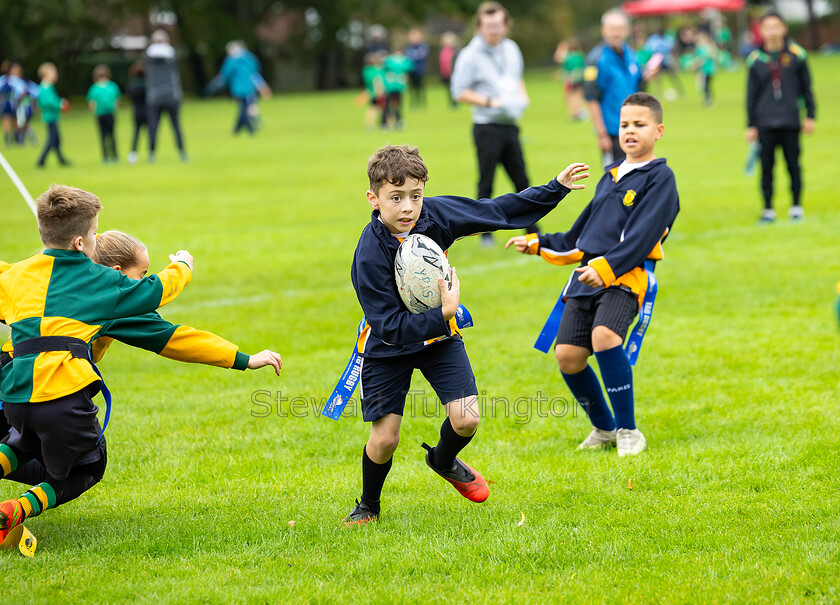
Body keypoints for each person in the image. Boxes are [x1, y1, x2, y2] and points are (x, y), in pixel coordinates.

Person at [0, 188, 283, 543]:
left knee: (25, 442)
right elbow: (174, 336)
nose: (143, 277)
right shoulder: (111, 296)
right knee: (87, 463)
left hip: (13, 388)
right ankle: (17, 509)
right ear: (114, 269)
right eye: (142, 271)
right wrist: (183, 266)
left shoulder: (22, 276)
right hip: (47, 389)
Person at [342, 145, 589, 525]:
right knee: (385, 439)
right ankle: (368, 505)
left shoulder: (434, 216)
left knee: (466, 419)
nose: (408, 208)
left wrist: (554, 188)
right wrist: (443, 313)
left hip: (439, 339)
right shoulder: (368, 253)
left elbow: (496, 211)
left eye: (415, 196)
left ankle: (442, 459)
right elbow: (388, 325)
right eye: (396, 198)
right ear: (373, 199)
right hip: (389, 345)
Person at [505, 93, 679, 457]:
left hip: (625, 277)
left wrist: (606, 268)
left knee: (604, 337)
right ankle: (604, 428)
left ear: (658, 130)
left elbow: (643, 236)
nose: (630, 131)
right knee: (567, 355)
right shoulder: (609, 177)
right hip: (587, 278)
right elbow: (577, 239)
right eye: (624, 125)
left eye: (640, 124)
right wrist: (536, 243)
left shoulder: (661, 178)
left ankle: (630, 430)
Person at [450, 2, 537, 245]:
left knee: (522, 180)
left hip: (510, 124)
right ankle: (484, 232)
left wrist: (523, 96)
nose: (493, 30)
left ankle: (533, 230)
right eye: (488, 26)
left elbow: (516, 78)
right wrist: (489, 101)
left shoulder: (511, 49)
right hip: (487, 125)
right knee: (486, 182)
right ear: (479, 27)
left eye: (498, 25)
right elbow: (458, 91)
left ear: (506, 25)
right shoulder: (470, 55)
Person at [746, 11, 816, 223]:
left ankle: (796, 206)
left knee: (793, 165)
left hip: (790, 120)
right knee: (766, 167)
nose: (773, 31)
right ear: (762, 31)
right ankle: (768, 210)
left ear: (784, 28)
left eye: (776, 26)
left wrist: (810, 115)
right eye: (768, 27)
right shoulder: (756, 59)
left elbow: (807, 88)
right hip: (765, 122)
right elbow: (751, 95)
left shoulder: (797, 55)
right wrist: (751, 125)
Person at [584, 9, 643, 167]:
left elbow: (638, 87)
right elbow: (592, 98)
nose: (616, 33)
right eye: (612, 29)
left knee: (636, 178)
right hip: (612, 131)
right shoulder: (596, 59)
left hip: (635, 127)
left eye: (620, 29)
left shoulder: (632, 54)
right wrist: (601, 134)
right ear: (603, 30)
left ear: (626, 31)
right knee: (614, 181)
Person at [205, 41, 266, 135]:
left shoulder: (231, 60)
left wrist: (220, 84)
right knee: (245, 106)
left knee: (244, 107)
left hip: (238, 88)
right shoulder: (249, 58)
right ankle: (242, 128)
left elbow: (225, 74)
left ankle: (245, 129)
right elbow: (256, 70)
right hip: (249, 87)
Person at [145, 29, 187, 162]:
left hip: (154, 97)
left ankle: (151, 154)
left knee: (153, 127)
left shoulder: (148, 56)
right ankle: (182, 153)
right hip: (172, 95)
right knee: (176, 126)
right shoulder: (172, 55)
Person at [35, 62, 70, 168]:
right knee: (52, 139)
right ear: (46, 74)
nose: (55, 74)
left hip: (53, 116)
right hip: (49, 117)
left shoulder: (48, 86)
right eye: (53, 72)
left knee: (57, 139)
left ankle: (61, 159)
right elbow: (48, 101)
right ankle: (41, 160)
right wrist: (60, 103)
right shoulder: (45, 87)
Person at [86, 64, 121, 163]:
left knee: (104, 135)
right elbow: (117, 101)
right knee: (110, 135)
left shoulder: (95, 87)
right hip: (108, 113)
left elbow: (91, 104)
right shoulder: (111, 86)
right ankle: (112, 156)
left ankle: (107, 156)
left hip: (101, 114)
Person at [554, 39, 586, 121]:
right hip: (581, 77)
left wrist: (560, 48)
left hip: (571, 79)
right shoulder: (581, 56)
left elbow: (558, 59)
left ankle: (575, 113)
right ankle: (579, 112)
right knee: (579, 95)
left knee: (571, 96)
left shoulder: (568, 57)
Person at [382, 49, 413, 129]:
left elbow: (408, 72)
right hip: (389, 87)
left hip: (398, 87)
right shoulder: (388, 61)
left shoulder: (404, 61)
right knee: (387, 104)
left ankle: (398, 122)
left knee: (397, 105)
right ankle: (384, 122)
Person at [126, 61, 147, 164]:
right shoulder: (147, 85)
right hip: (147, 112)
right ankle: (151, 152)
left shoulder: (131, 86)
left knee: (136, 133)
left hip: (137, 112)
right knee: (150, 133)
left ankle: (133, 153)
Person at [359, 51, 386, 130]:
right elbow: (377, 81)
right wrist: (380, 92)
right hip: (376, 92)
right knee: (374, 108)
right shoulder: (373, 70)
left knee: (375, 108)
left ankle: (371, 124)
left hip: (370, 91)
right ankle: (370, 125)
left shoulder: (366, 70)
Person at [0, 63, 25, 147]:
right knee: (8, 120)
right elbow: (21, 91)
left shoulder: (5, 79)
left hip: (10, 102)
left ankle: (15, 139)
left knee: (14, 121)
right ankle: (10, 140)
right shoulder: (11, 80)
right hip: (10, 102)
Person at [405, 28, 430, 109]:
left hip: (420, 69)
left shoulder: (423, 46)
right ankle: (413, 103)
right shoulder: (408, 46)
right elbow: (408, 56)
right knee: (412, 88)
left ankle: (422, 103)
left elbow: (422, 55)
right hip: (411, 70)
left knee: (421, 87)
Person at [692, 32, 718, 106]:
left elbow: (701, 60)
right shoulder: (708, 48)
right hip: (710, 70)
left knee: (705, 85)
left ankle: (708, 99)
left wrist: (695, 66)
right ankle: (708, 98)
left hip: (705, 70)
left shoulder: (701, 49)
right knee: (707, 85)